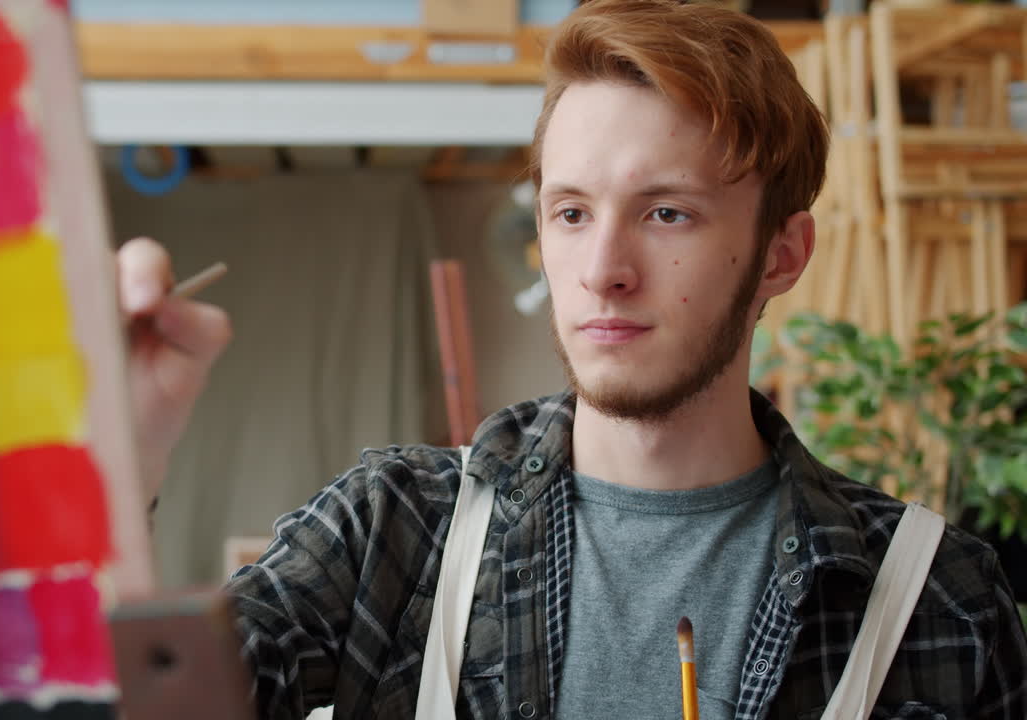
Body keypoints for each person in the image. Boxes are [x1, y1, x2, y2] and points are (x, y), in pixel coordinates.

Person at [114, 0, 1027, 717]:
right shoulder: (392, 535)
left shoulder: (938, 601)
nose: (602, 272)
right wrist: (117, 458)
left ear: (783, 254)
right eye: (572, 212)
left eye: (667, 212)